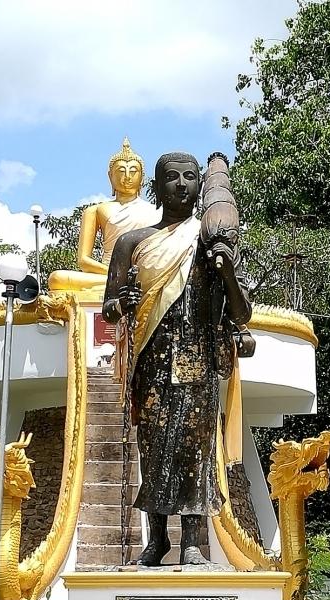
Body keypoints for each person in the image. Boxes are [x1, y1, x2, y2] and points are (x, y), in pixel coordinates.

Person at [102, 152, 251, 566]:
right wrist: (122, 303)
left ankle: (191, 541)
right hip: (151, 360)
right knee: (153, 451)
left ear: (200, 186)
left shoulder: (208, 243)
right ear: (157, 185)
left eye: (190, 177)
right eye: (172, 177)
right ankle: (157, 539)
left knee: (195, 451)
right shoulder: (133, 242)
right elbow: (108, 306)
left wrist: (225, 272)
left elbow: (241, 313)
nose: (181, 184)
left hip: (196, 358)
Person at [48, 138, 159, 299]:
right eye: (121, 171)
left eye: (133, 171)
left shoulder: (155, 211)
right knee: (56, 279)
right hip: (106, 274)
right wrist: (115, 273)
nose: (127, 177)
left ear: (142, 177)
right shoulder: (96, 210)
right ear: (110, 177)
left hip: (143, 275)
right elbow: (83, 260)